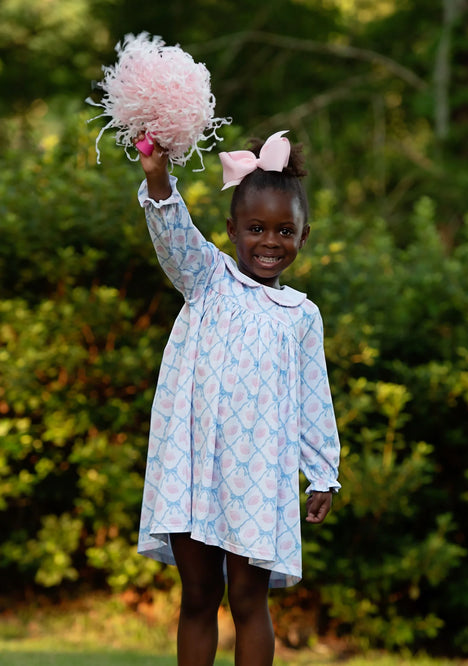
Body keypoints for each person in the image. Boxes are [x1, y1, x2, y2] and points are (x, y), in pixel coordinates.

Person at [135, 129, 341, 666]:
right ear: (231, 231)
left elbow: (313, 401)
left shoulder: (300, 316)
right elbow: (173, 234)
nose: (269, 242)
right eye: (255, 229)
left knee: (249, 602)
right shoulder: (206, 280)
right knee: (199, 597)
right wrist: (157, 177)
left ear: (304, 236)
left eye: (283, 231)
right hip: (194, 470)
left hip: (258, 479)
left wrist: (323, 472)